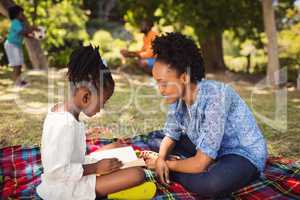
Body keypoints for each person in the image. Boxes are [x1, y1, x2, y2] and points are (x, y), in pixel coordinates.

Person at [149, 32, 268, 198]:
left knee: (211, 185)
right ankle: (176, 164)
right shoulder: (177, 99)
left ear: (184, 77)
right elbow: (171, 135)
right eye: (157, 83)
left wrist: (165, 164)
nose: (160, 90)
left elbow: (201, 164)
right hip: (209, 147)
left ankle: (171, 171)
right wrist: (161, 157)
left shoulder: (216, 96)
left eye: (163, 83)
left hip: (241, 153)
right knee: (156, 140)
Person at [36, 45, 156, 200]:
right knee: (137, 174)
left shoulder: (63, 112)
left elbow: (63, 144)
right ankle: (114, 192)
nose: (101, 109)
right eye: (102, 103)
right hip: (66, 188)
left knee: (119, 146)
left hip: (78, 169)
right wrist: (96, 168)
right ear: (86, 97)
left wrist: (84, 134)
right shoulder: (64, 124)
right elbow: (55, 172)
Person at [4, 5, 36, 87]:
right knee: (16, 64)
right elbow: (22, 31)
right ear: (16, 15)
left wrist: (32, 35)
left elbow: (24, 34)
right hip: (12, 45)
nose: (23, 16)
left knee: (19, 64)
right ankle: (17, 83)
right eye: (21, 14)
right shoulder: (15, 22)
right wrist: (33, 28)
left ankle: (19, 81)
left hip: (16, 45)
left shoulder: (20, 23)